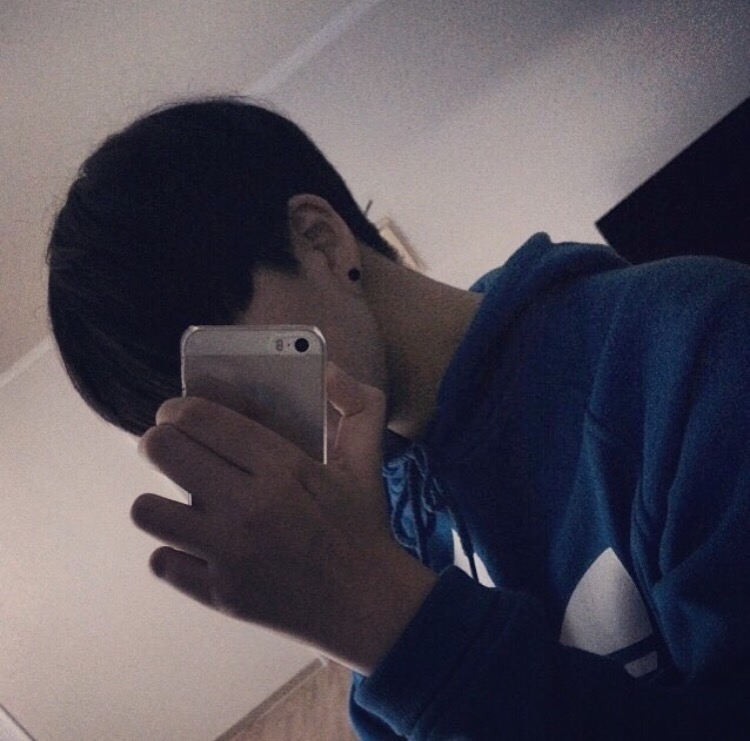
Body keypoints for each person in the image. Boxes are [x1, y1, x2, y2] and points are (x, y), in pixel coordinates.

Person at [47, 97, 750, 739]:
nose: (239, 434)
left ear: (320, 240)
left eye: (229, 381)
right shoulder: (378, 523)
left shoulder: (691, 347)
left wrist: (394, 626)